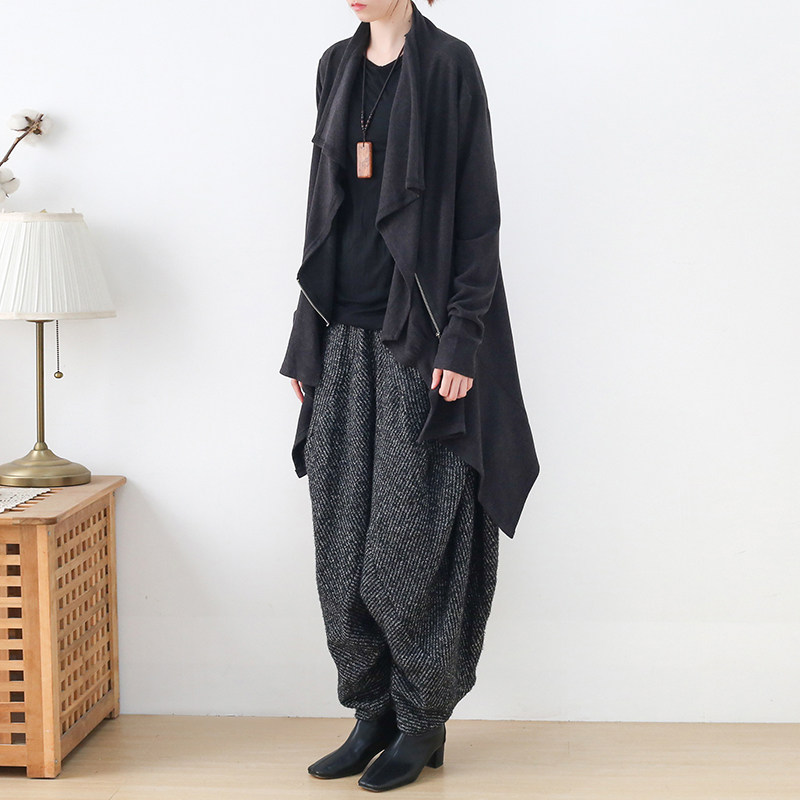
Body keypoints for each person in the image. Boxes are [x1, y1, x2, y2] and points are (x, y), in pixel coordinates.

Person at [280, 0, 540, 791]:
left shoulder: (450, 64)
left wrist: (462, 336)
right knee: (341, 541)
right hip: (341, 330)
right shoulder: (336, 65)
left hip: (417, 337)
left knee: (410, 540)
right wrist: (304, 334)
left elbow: (478, 216)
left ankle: (423, 721)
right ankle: (372, 715)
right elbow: (322, 208)